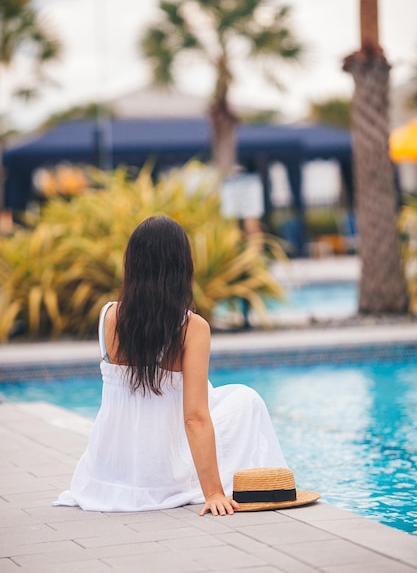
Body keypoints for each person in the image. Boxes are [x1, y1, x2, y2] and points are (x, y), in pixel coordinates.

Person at [55, 215, 287, 516]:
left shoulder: (108, 316)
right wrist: (214, 493)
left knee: (225, 396)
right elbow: (193, 417)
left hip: (106, 474)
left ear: (133, 265)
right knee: (247, 400)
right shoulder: (192, 328)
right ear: (181, 267)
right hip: (160, 475)